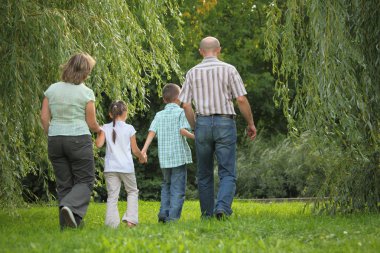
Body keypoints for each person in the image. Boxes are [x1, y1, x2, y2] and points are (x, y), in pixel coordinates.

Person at [179, 36, 257, 220]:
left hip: (203, 124)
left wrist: (195, 127)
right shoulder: (229, 70)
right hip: (225, 122)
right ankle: (222, 207)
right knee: (227, 171)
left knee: (204, 173)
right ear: (219, 50)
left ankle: (207, 215)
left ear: (200, 52)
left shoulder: (192, 72)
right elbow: (241, 99)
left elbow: (186, 105)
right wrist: (251, 124)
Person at [40, 53, 102, 229]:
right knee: (85, 180)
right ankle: (70, 207)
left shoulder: (51, 89)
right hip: (78, 139)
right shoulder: (86, 92)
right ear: (85, 72)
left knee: (64, 184)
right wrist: (99, 130)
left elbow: (44, 118)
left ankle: (68, 227)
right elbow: (91, 123)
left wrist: (51, 132)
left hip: (55, 139)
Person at [141, 83, 194, 223]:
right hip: (178, 157)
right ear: (179, 98)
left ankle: (163, 214)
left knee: (166, 184)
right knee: (178, 188)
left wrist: (144, 149)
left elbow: (152, 132)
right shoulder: (181, 112)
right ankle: (173, 218)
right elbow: (183, 130)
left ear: (164, 99)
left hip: (164, 158)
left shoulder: (159, 115)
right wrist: (196, 137)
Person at [95, 100, 147, 228]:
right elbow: (135, 150)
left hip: (110, 168)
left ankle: (112, 225)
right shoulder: (129, 128)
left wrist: (99, 131)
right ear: (125, 113)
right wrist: (142, 157)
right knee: (132, 191)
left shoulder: (105, 128)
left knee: (112, 196)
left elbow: (98, 144)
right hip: (126, 167)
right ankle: (131, 220)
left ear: (110, 114)